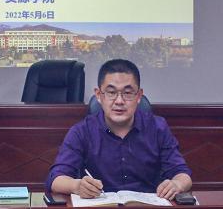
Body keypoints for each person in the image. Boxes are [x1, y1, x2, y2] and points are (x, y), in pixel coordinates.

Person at [48, 59, 192, 200]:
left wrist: (177, 184)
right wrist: (77, 186)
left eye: (127, 93)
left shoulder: (157, 128)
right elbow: (56, 179)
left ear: (139, 96)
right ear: (98, 95)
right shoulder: (81, 131)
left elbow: (182, 174)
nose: (119, 101)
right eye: (111, 92)